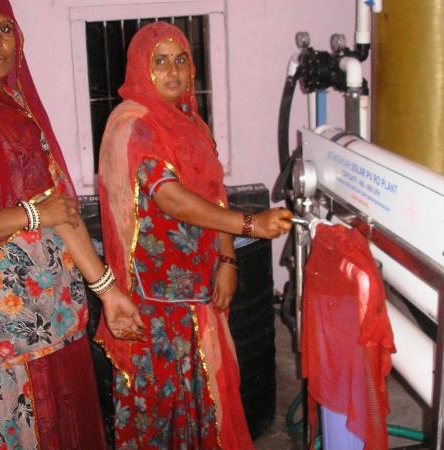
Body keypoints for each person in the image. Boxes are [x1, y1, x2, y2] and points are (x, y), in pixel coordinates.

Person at [0, 0, 144, 448]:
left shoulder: (21, 109)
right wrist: (32, 215)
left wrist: (108, 292)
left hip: (56, 314)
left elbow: (64, 212)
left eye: (5, 29)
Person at [97, 22, 294, 449]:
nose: (173, 71)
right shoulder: (132, 126)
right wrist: (251, 225)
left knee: (204, 403)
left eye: (181, 60)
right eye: (160, 62)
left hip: (198, 288)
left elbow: (213, 193)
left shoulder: (189, 124)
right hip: (155, 303)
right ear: (140, 69)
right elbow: (171, 199)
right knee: (163, 411)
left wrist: (227, 258)